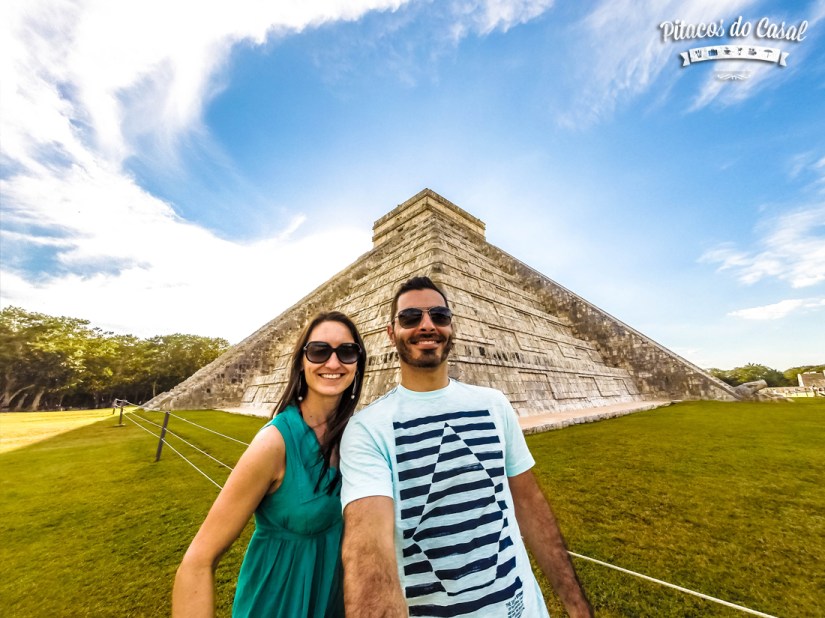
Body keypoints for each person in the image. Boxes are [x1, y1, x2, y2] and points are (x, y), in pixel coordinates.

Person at [340, 276, 593, 617]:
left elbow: (531, 507)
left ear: (452, 327)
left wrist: (577, 606)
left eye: (439, 316)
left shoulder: (495, 404)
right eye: (410, 317)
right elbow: (367, 553)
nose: (427, 326)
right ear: (390, 333)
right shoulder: (367, 429)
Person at [173, 311, 366, 618]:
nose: (333, 363)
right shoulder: (274, 444)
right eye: (319, 351)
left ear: (358, 363)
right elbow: (197, 562)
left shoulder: (356, 437)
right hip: (279, 604)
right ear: (301, 362)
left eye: (347, 351)